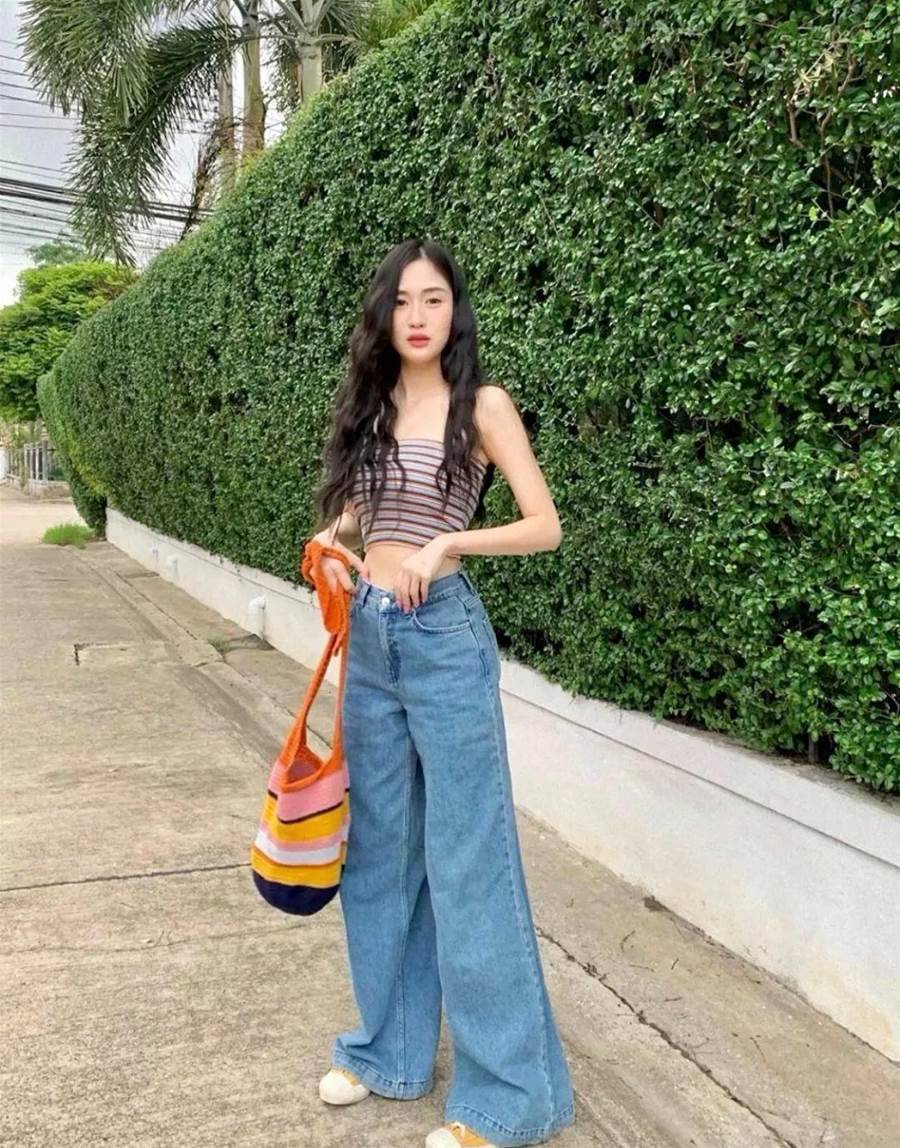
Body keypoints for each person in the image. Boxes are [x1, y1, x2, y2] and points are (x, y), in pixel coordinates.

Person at [308, 238, 576, 1148]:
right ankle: (389, 1052)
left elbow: (544, 525)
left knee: (468, 858)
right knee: (379, 855)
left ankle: (509, 1098)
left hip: (444, 640)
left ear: (455, 311)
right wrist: (337, 541)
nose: (418, 316)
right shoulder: (373, 404)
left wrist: (449, 543)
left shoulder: (482, 405)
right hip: (370, 639)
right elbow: (366, 513)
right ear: (383, 316)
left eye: (434, 299)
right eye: (402, 301)